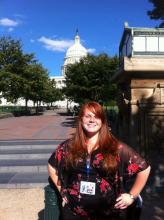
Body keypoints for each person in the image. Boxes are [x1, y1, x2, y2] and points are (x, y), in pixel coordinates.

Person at [48, 101, 151, 220]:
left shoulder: (115, 147)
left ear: (102, 121)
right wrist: (61, 189)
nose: (92, 120)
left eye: (96, 116)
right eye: (88, 116)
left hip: (108, 214)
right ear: (81, 120)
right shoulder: (69, 146)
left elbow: (144, 168)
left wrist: (132, 195)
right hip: (74, 213)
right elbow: (52, 164)